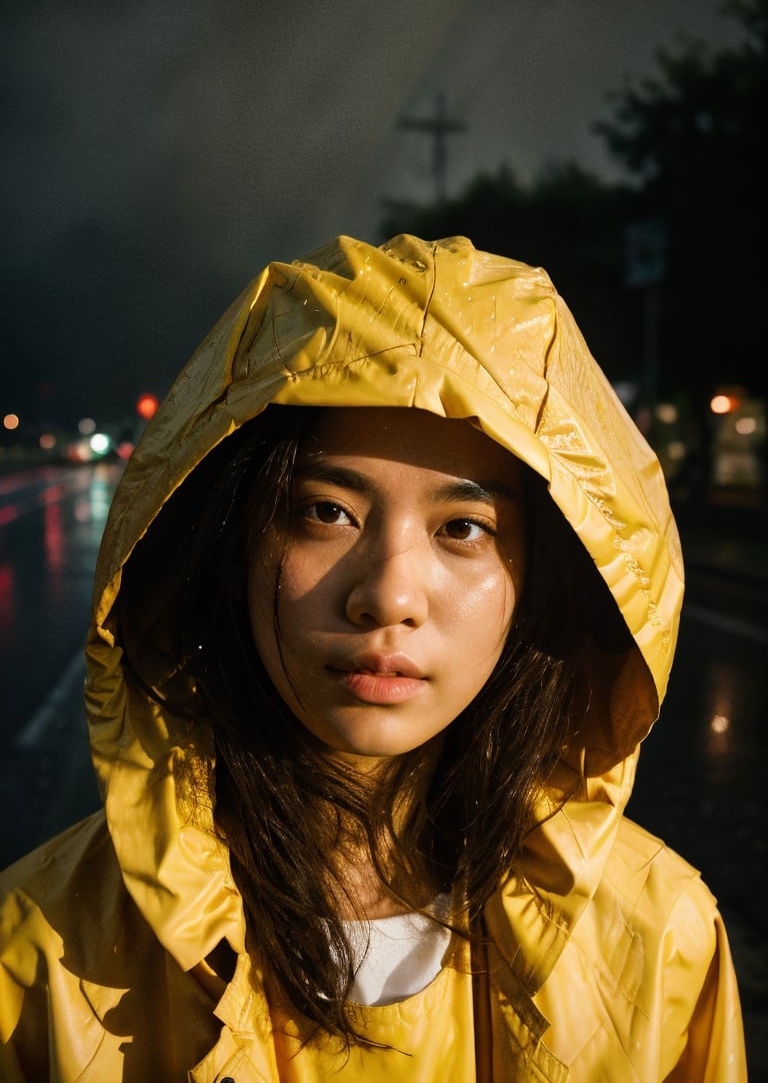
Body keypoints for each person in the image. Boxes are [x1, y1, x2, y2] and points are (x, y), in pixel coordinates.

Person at [0, 233, 746, 1081]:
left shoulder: (662, 941)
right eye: (325, 512)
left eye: (463, 529)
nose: (389, 595)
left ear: (542, 577)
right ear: (234, 545)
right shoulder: (37, 951)